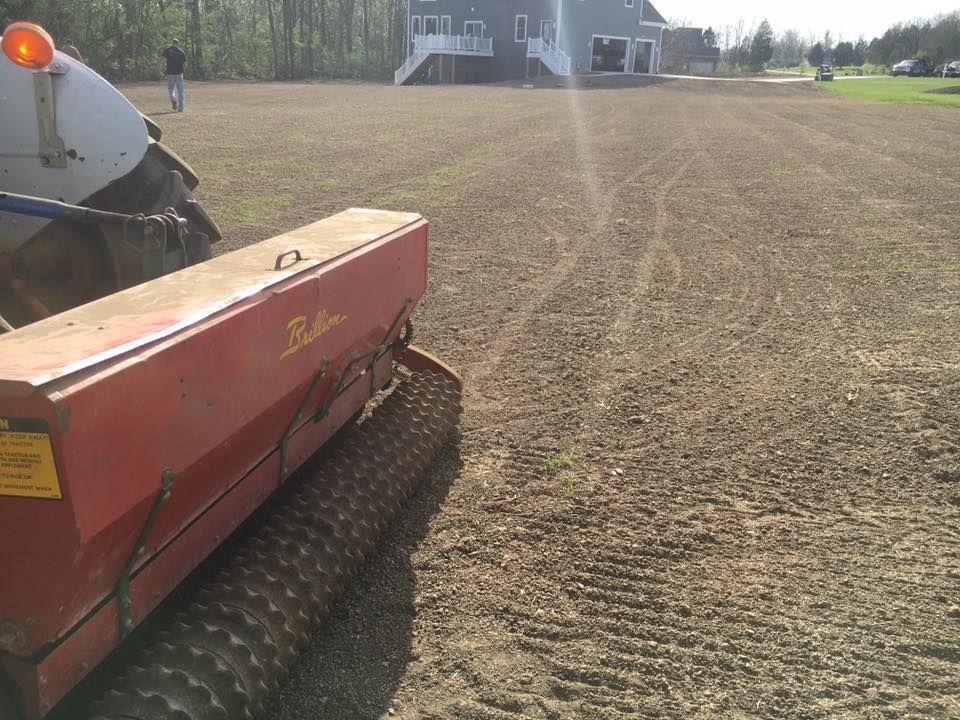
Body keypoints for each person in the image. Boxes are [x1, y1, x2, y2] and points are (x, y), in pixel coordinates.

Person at [161, 39, 187, 112]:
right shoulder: (181, 52)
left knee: (171, 89)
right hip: (179, 73)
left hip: (170, 73)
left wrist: (165, 67)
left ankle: (173, 100)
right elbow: (184, 64)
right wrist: (183, 71)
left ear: (172, 43)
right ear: (178, 44)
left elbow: (163, 60)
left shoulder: (167, 50)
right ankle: (181, 108)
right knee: (181, 91)